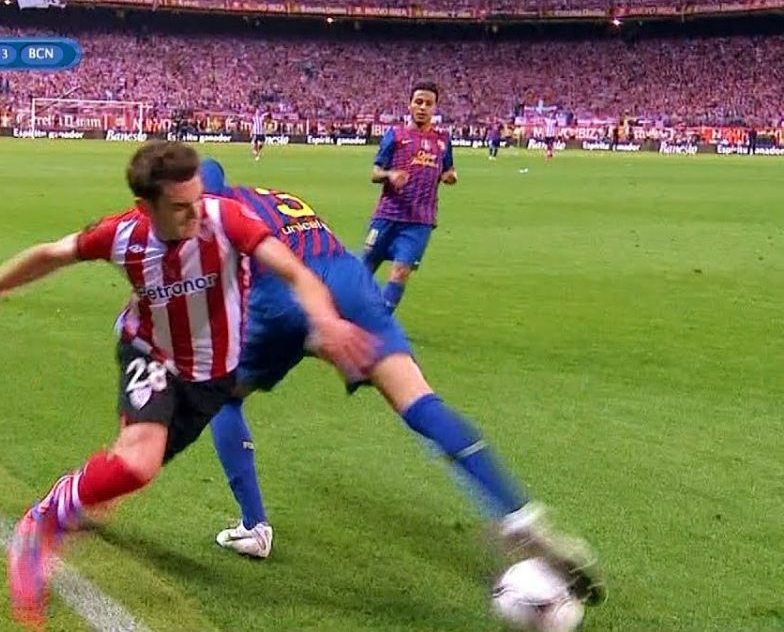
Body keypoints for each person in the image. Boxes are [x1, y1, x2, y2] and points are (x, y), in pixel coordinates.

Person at [0, 142, 376, 626]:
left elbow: (294, 270)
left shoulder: (225, 218)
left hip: (214, 377)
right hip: (152, 355)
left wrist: (327, 320)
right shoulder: (122, 235)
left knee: (130, 469)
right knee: (139, 462)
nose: (196, 214)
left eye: (198, 199)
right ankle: (44, 519)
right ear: (145, 207)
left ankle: (91, 488)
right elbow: (49, 255)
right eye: (180, 207)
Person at [200, 159, 605, 608]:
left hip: (283, 293)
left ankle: (255, 527)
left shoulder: (215, 205)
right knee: (420, 403)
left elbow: (207, 190)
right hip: (349, 279)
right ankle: (517, 514)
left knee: (224, 398)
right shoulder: (273, 197)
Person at [364, 81, 457, 316]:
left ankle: (380, 321)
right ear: (410, 105)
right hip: (387, 215)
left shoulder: (443, 140)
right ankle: (340, 312)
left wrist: (450, 176)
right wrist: (389, 175)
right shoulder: (395, 135)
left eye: (428, 103)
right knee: (363, 268)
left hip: (420, 221)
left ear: (435, 107)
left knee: (401, 272)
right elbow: (375, 173)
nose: (423, 107)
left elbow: (448, 170)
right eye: (418, 102)